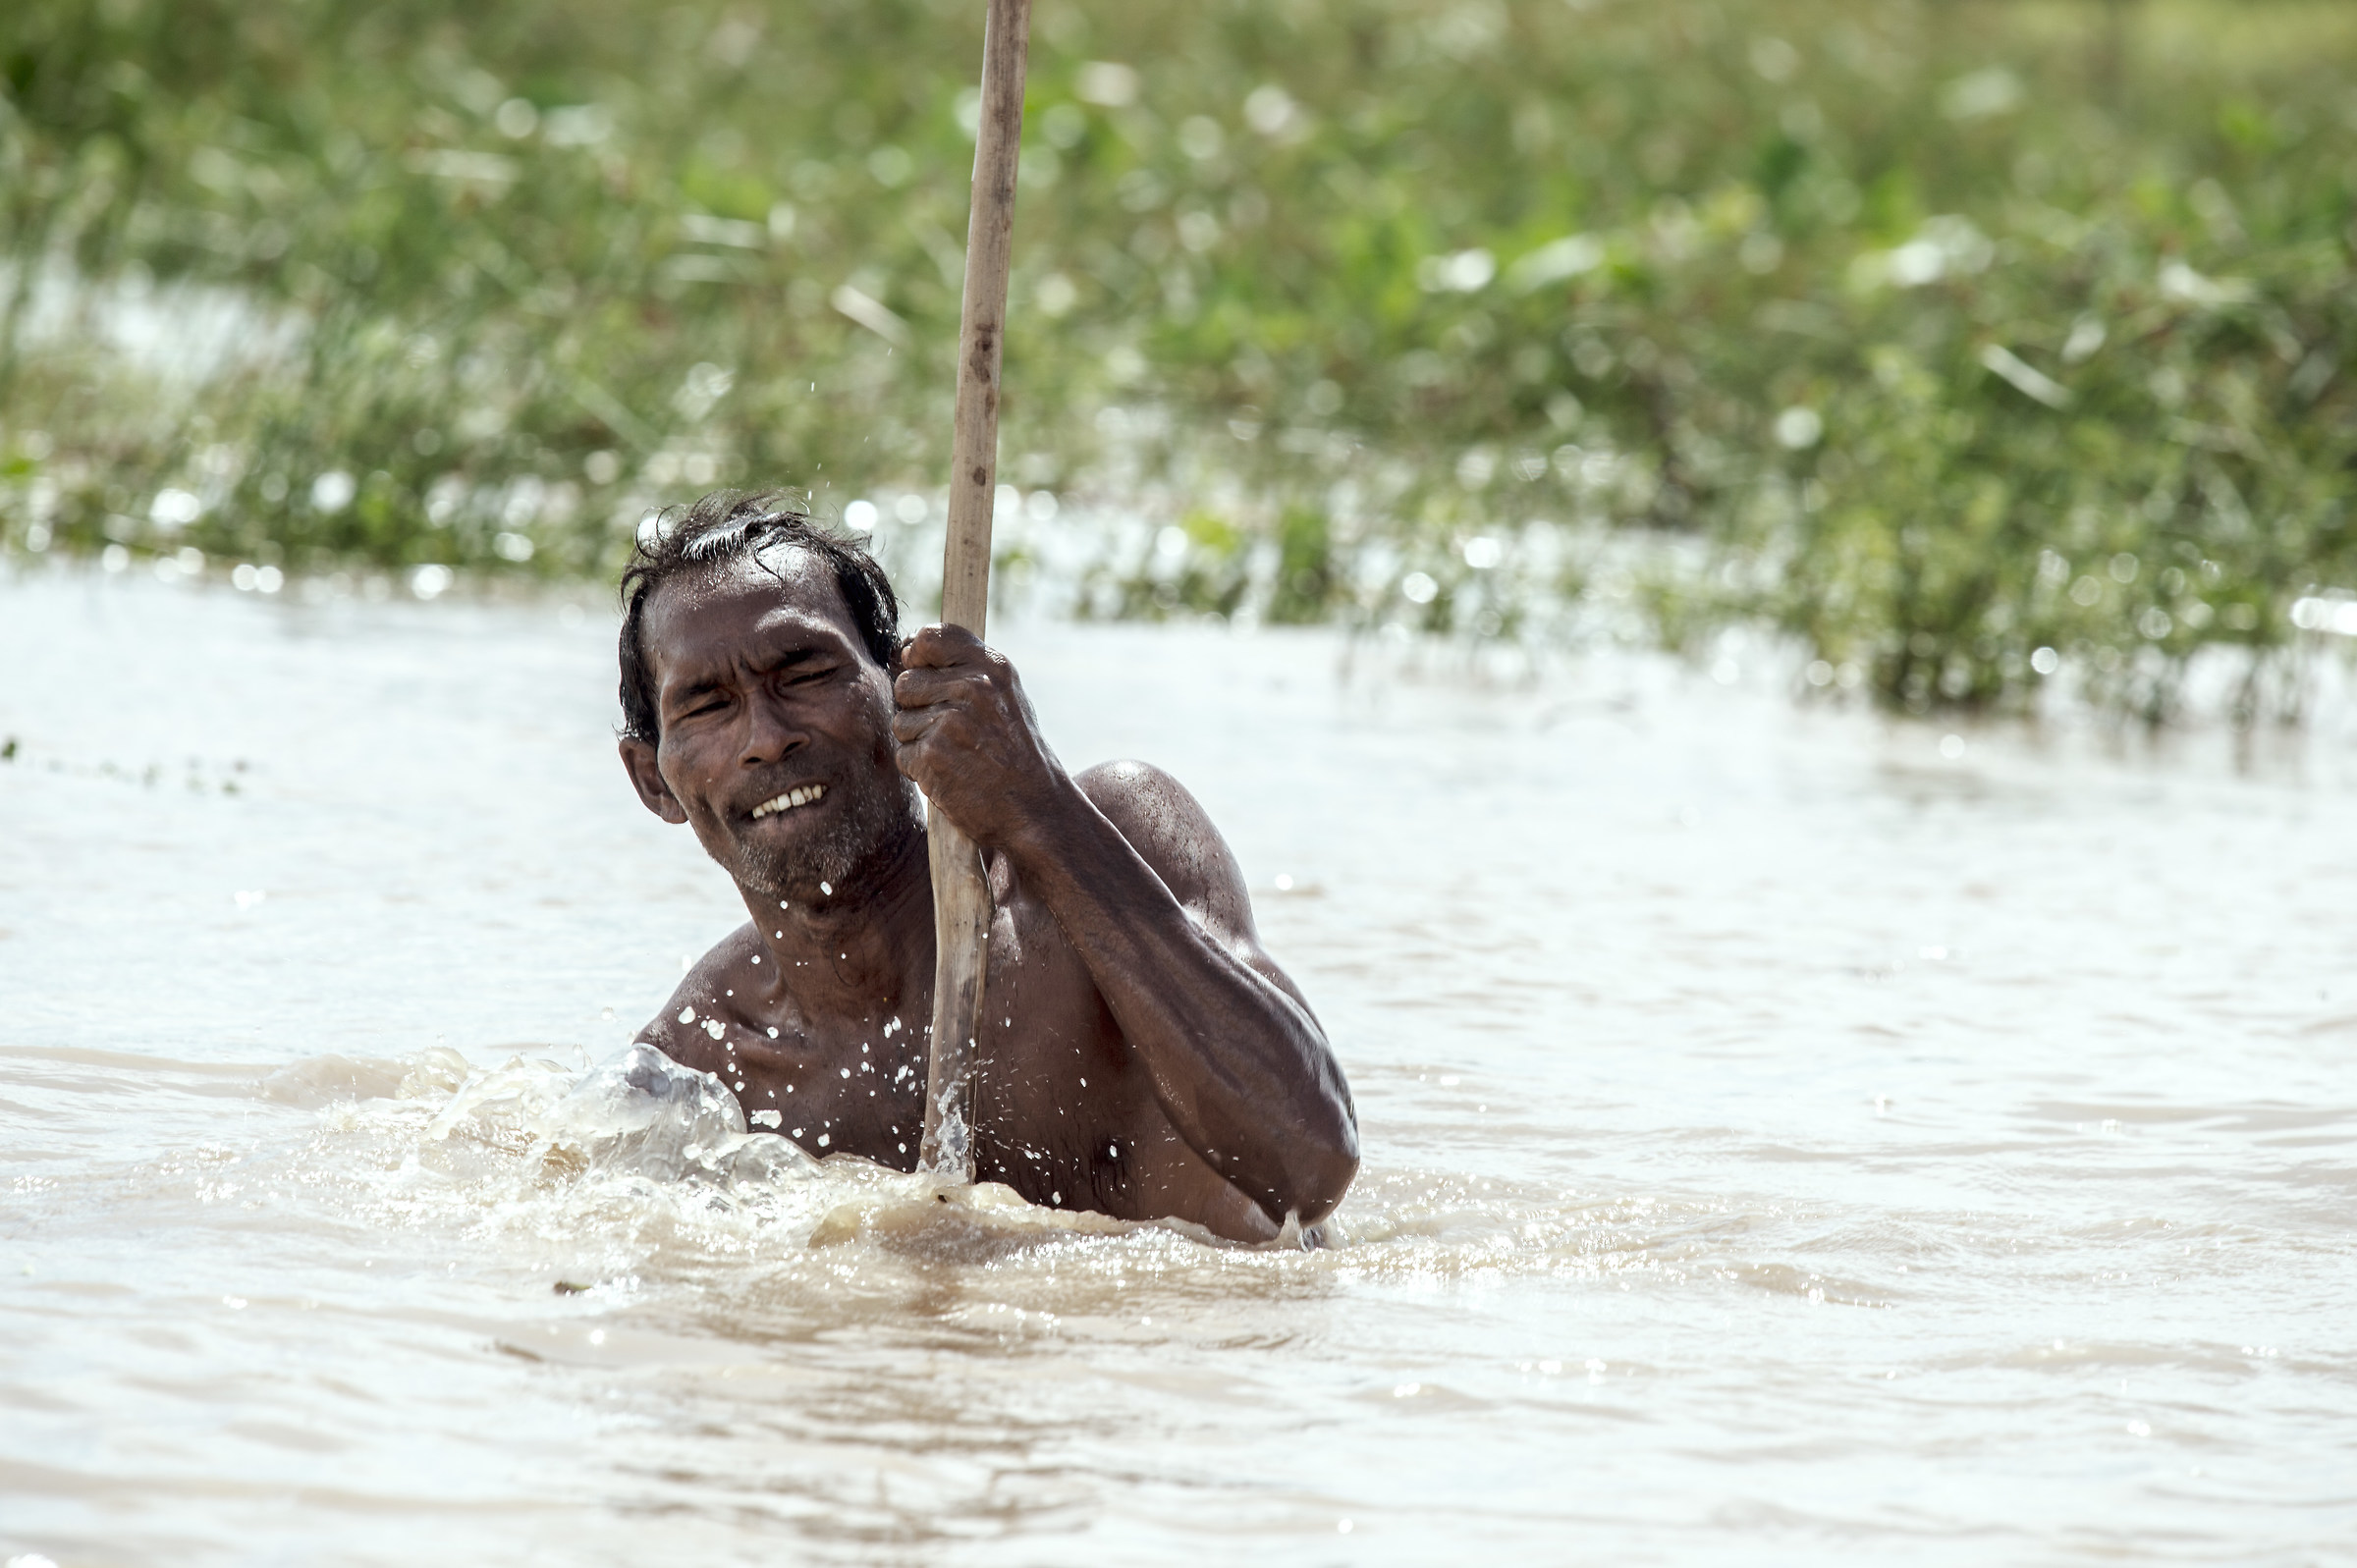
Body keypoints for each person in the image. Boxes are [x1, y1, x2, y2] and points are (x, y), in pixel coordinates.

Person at [617, 491, 1358, 1243]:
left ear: (906, 689)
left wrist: (1040, 809)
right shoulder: (700, 1062)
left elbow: (1310, 1167)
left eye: (804, 673)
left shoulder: (1108, 844)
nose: (766, 738)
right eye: (708, 705)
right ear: (652, 779)